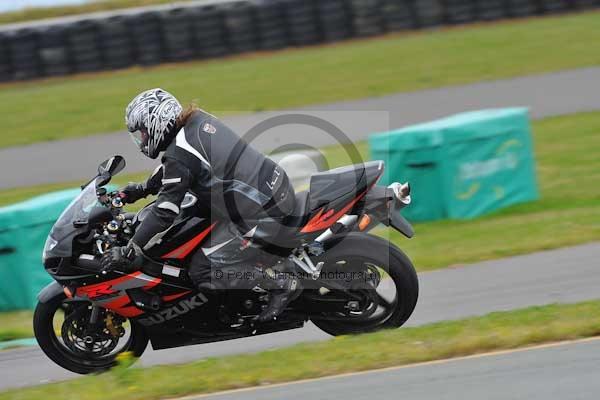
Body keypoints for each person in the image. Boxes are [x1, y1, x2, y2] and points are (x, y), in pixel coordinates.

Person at [100, 88, 301, 323]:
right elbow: (179, 168)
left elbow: (165, 210)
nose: (141, 140)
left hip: (262, 214)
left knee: (202, 270)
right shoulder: (196, 121)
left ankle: (282, 283)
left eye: (142, 133)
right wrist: (142, 189)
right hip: (273, 187)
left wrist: (132, 248)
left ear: (157, 123)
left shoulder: (179, 155)